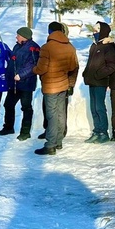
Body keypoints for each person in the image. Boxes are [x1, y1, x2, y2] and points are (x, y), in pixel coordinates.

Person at [33, 21, 79, 155]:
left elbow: (41, 69)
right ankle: (58, 141)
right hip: (63, 84)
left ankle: (50, 145)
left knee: (51, 115)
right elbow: (73, 67)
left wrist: (34, 69)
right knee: (60, 113)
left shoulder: (47, 47)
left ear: (50, 31)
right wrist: (70, 83)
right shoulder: (70, 47)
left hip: (50, 86)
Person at [0, 27, 40, 140]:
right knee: (8, 104)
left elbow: (33, 64)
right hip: (14, 84)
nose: (16, 37)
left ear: (24, 36)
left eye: (18, 35)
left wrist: (21, 75)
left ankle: (25, 132)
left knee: (26, 107)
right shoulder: (17, 46)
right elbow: (13, 62)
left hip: (26, 83)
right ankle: (8, 127)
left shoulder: (33, 48)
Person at [82, 21, 115, 144]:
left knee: (99, 107)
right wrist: (86, 73)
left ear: (102, 31)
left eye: (97, 30)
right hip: (92, 81)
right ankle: (97, 131)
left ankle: (103, 132)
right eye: (94, 30)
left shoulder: (108, 47)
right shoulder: (94, 45)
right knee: (93, 108)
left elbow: (111, 66)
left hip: (100, 82)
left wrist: (98, 74)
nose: (94, 32)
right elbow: (90, 63)